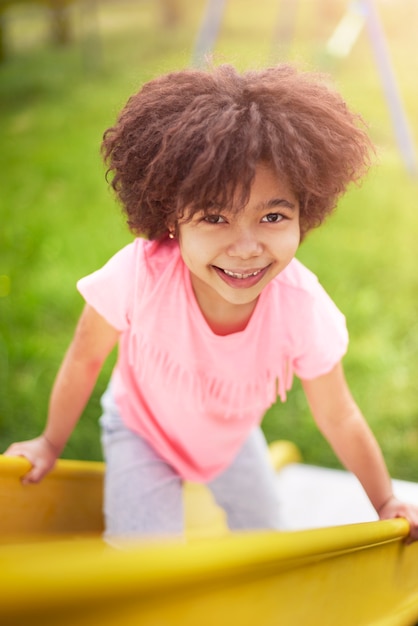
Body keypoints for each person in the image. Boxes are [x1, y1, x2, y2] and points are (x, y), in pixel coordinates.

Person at [5, 64, 418, 541]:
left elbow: (338, 413)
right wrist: (50, 442)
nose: (245, 248)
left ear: (306, 211)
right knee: (143, 556)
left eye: (272, 215)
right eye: (215, 217)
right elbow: (86, 355)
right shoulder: (140, 275)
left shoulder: (301, 308)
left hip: (231, 438)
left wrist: (385, 500)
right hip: (142, 430)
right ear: (170, 218)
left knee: (267, 539)